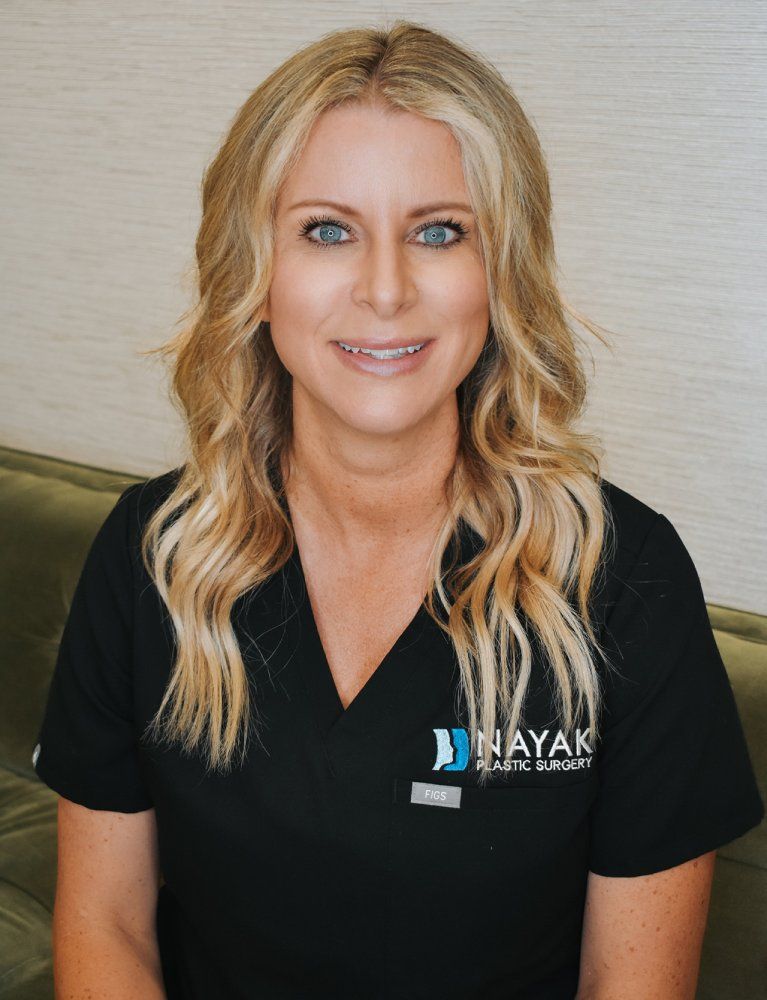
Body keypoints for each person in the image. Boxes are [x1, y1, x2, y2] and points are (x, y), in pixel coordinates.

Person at [32, 20, 763, 1000]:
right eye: (327, 230)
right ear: (253, 275)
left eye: (438, 230)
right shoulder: (150, 551)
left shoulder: (622, 580)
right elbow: (107, 929)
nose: (384, 289)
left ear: (498, 275)